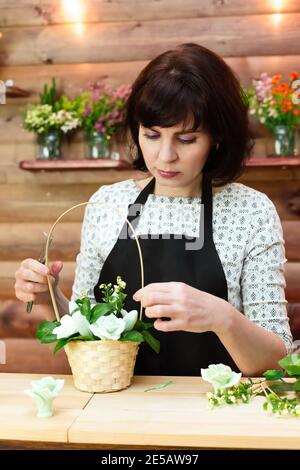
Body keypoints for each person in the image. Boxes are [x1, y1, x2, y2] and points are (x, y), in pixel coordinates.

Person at [15, 43, 292, 376]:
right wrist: (48, 297)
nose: (165, 156)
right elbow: (84, 332)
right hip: (120, 407)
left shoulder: (251, 211)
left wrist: (223, 318)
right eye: (151, 135)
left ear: (216, 136)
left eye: (186, 139)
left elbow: (279, 362)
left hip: (219, 413)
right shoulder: (108, 204)